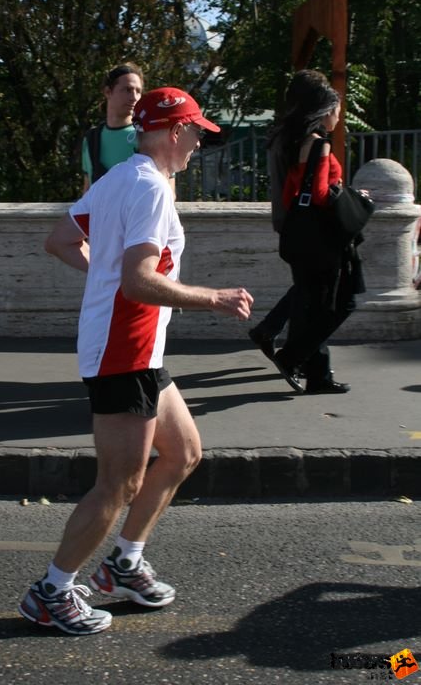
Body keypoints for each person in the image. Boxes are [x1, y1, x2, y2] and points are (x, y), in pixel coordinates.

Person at [19, 86, 254, 636]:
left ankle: (124, 564)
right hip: (125, 350)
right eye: (197, 131)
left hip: (136, 349)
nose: (199, 142)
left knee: (183, 452)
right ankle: (51, 591)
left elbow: (58, 240)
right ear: (175, 131)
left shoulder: (117, 177)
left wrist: (101, 276)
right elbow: (140, 280)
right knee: (118, 484)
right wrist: (214, 297)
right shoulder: (150, 189)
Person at [270, 80, 364, 395]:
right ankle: (292, 357)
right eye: (337, 108)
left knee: (312, 305)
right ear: (325, 110)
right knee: (339, 304)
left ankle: (317, 374)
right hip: (324, 239)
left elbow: (291, 193)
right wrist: (352, 196)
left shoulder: (293, 141)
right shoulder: (318, 143)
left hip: (301, 237)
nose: (340, 115)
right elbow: (322, 194)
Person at [248, 70, 329, 361]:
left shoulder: (282, 132)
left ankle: (271, 332)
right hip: (303, 221)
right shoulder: (302, 138)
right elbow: (311, 187)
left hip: (287, 219)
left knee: (307, 285)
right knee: (313, 290)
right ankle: (284, 342)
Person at [81, 62, 144, 193]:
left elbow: (167, 191)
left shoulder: (147, 135)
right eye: (127, 90)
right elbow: (87, 191)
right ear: (108, 92)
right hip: (100, 213)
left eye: (138, 91)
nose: (134, 97)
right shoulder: (92, 139)